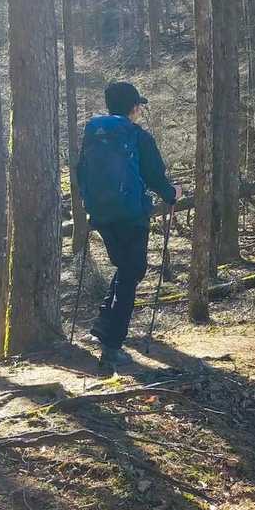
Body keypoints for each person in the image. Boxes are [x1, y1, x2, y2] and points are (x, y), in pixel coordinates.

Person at [78, 81, 178, 369]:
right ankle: (112, 346)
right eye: (139, 106)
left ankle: (103, 324)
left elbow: (81, 172)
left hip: (101, 215)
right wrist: (172, 194)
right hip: (131, 216)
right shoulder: (137, 136)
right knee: (132, 272)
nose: (139, 111)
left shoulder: (94, 135)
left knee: (125, 269)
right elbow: (155, 176)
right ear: (134, 107)